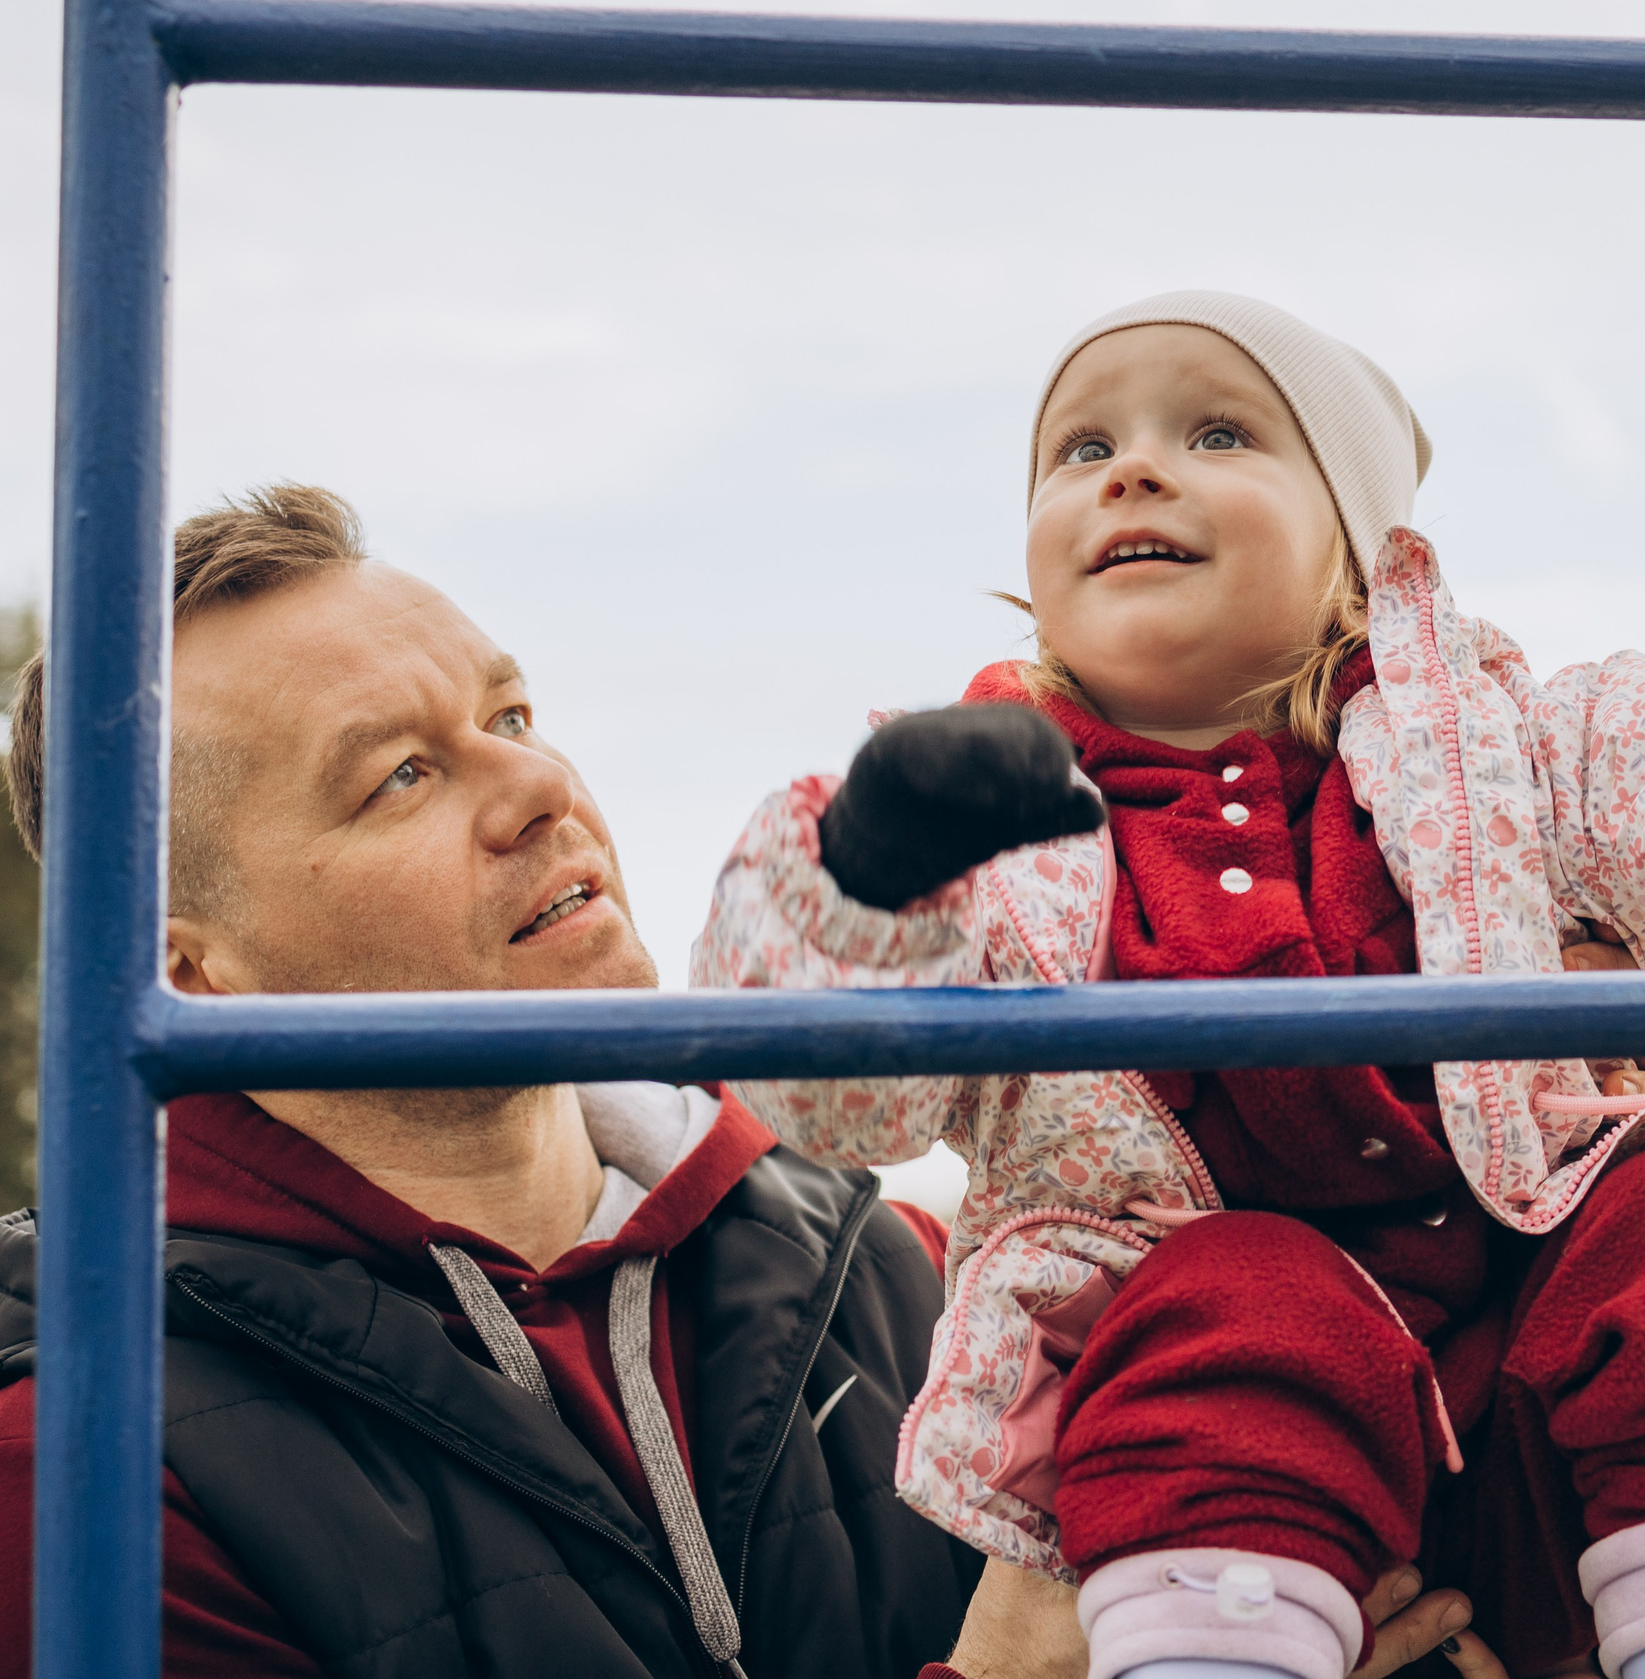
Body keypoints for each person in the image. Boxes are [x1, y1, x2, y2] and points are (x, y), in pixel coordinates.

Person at [694, 291, 1645, 1679]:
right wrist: (874, 870)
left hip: (1554, 1408)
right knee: (1236, 1293)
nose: (1132, 469)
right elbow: (842, 1102)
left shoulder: (1490, 743)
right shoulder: (995, 830)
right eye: (1082, 448)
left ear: (1357, 546)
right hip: (1214, 1470)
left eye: (1218, 432)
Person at [0, 487, 986, 1677]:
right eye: (400, 775)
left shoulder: (902, 1265)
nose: (539, 786)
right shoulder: (79, 1453)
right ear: (187, 965)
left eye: (510, 714)